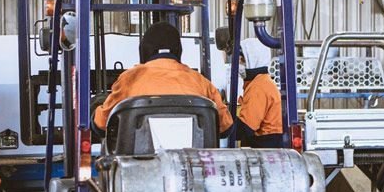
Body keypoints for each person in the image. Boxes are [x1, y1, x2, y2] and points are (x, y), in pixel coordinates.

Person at [93, 21, 233, 134]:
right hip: (190, 164)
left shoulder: (129, 79)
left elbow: (101, 123)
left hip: (139, 165)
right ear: (178, 50)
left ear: (144, 49)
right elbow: (226, 126)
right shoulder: (200, 81)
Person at [236, 38, 284, 148]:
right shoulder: (260, 81)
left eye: (242, 59)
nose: (239, 63)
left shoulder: (259, 87)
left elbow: (245, 129)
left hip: (267, 146)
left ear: (253, 59)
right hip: (268, 143)